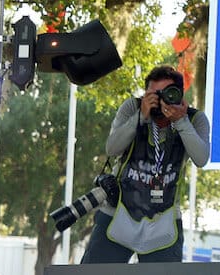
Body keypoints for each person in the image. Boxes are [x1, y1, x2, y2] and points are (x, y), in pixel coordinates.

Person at [81, 65, 210, 264]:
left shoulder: (195, 119)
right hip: (118, 213)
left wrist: (181, 121)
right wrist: (140, 116)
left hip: (164, 220)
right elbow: (112, 148)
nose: (159, 101)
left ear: (178, 95)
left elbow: (201, 159)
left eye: (167, 94)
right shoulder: (132, 108)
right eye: (153, 95)